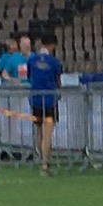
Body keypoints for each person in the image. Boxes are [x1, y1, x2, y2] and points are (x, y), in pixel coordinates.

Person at [27, 30, 63, 173]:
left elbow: (29, 77)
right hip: (49, 100)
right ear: (52, 46)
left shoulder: (32, 60)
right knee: (47, 133)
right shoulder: (54, 62)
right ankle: (45, 164)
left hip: (35, 99)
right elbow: (57, 80)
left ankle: (43, 160)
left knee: (40, 132)